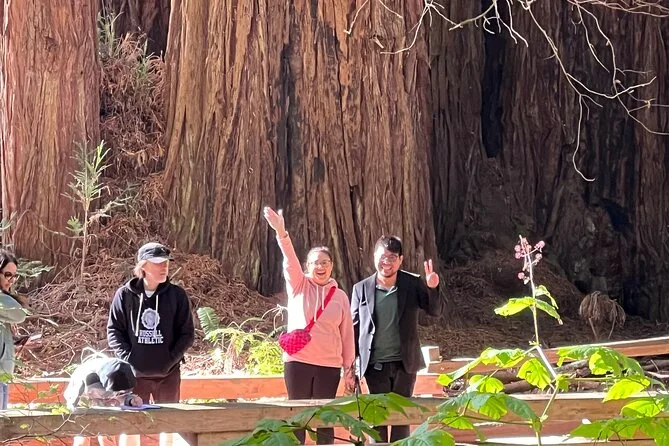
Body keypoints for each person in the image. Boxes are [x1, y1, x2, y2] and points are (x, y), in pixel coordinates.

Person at [263, 206, 356, 445]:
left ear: (332, 265)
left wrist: (349, 369)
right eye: (315, 263)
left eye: (325, 262)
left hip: (328, 365)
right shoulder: (299, 285)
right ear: (307, 266)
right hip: (298, 363)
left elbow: (347, 335)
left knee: (324, 420)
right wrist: (281, 233)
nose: (320, 267)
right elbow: (289, 260)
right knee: (298, 418)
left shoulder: (340, 297)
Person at [350, 235, 443, 442]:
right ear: (374, 257)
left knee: (402, 418)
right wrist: (350, 365)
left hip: (405, 364)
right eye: (382, 257)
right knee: (377, 420)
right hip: (374, 366)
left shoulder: (412, 283)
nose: (387, 262)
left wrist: (432, 288)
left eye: (392, 257)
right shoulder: (361, 288)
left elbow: (434, 311)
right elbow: (354, 329)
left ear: (401, 260)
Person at [107, 242, 195, 405]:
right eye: (157, 263)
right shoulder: (125, 295)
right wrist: (130, 360)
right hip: (134, 377)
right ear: (143, 266)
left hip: (169, 376)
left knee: (171, 419)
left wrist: (170, 360)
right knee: (137, 420)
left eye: (166, 262)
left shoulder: (177, 295)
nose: (164, 267)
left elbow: (187, 334)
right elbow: (114, 331)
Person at [65, 355, 143, 446]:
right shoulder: (86, 379)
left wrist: (130, 400)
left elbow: (122, 393)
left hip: (105, 399)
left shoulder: (123, 370)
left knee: (126, 427)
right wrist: (74, 409)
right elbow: (73, 403)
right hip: (83, 400)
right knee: (82, 436)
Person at [0, 250, 27, 410]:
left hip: (4, 374)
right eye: (8, 275)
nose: (11, 280)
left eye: (14, 276)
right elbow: (19, 314)